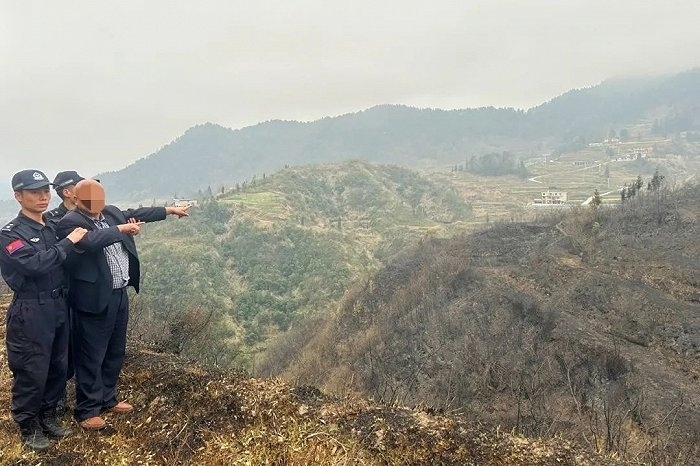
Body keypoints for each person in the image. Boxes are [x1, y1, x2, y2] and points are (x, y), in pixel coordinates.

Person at [57, 179, 189, 430]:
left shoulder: (111, 213)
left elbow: (138, 213)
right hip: (93, 298)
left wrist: (169, 210)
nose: (96, 204)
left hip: (118, 295)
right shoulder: (70, 222)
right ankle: (87, 410)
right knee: (91, 354)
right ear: (76, 199)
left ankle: (108, 398)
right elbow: (90, 241)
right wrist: (120, 229)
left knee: (115, 351)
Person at [0, 169, 87, 451]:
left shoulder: (51, 226)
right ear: (18, 196)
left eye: (46, 191)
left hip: (58, 304)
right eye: (35, 192)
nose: (43, 197)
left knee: (58, 365)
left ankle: (49, 416)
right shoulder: (10, 234)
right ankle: (28, 425)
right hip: (31, 309)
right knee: (31, 368)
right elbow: (34, 265)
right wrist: (68, 243)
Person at [46, 170, 87, 415]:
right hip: (62, 292)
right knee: (61, 347)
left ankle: (87, 395)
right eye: (80, 186)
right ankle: (57, 398)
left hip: (86, 290)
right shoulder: (51, 220)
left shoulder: (90, 213)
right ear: (67, 191)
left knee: (85, 344)